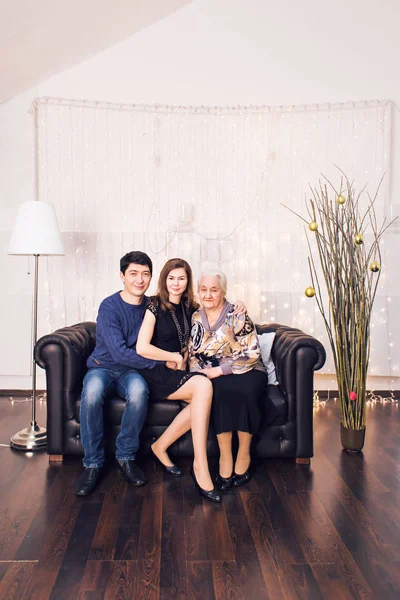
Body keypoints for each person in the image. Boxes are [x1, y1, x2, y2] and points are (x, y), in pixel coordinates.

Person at [76, 251, 162, 496]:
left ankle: (125, 457)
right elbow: (120, 353)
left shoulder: (153, 305)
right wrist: (157, 364)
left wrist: (233, 305)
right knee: (91, 394)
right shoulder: (110, 306)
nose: (140, 279)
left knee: (139, 391)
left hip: (131, 372)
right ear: (122, 276)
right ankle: (92, 464)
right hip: (102, 366)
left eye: (145, 274)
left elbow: (187, 306)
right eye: (133, 274)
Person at [136, 258, 223, 502]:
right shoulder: (154, 306)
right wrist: (172, 356)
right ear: (164, 279)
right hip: (155, 372)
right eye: (171, 278)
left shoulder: (191, 307)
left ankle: (160, 446)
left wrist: (239, 306)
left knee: (204, 394)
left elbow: (219, 308)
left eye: (181, 278)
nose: (176, 283)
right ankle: (200, 465)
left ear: (188, 282)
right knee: (204, 385)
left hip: (178, 371)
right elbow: (142, 347)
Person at [189, 269, 268, 491]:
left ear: (223, 291)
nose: (208, 295)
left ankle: (243, 454)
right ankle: (225, 456)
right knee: (220, 393)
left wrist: (220, 370)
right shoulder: (196, 317)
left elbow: (252, 354)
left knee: (245, 393)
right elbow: (193, 354)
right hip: (213, 374)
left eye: (214, 290)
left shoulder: (237, 314)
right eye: (203, 290)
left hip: (249, 370)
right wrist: (199, 374)